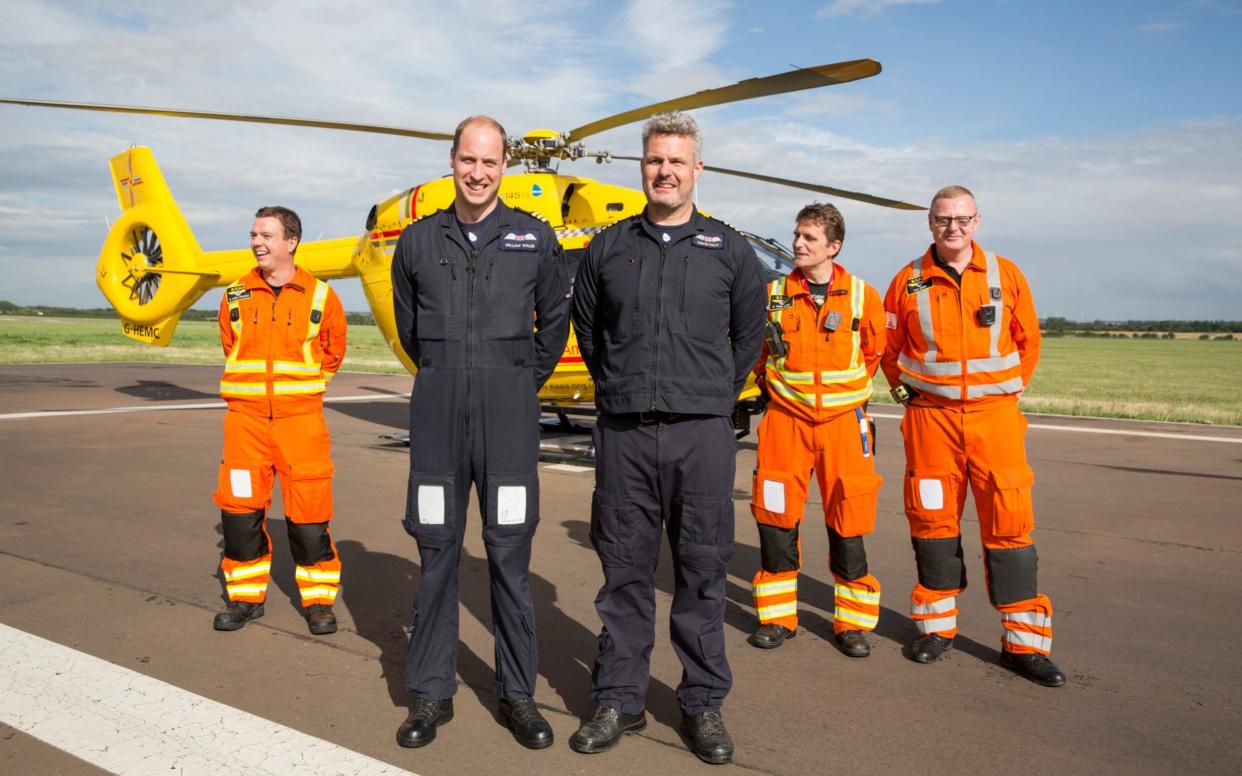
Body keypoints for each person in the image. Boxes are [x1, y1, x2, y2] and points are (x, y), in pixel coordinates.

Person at [570, 111, 765, 765]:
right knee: (622, 573)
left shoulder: (729, 250)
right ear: (642, 166)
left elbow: (748, 338)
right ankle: (619, 699)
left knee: (703, 571)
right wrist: (623, 387)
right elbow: (591, 333)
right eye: (655, 160)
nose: (665, 171)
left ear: (697, 170)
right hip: (625, 433)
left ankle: (702, 704)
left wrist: (706, 395)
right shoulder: (607, 248)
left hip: (701, 435)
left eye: (677, 161)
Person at [390, 115, 571, 750]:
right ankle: (431, 694)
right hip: (438, 414)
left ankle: (518, 695)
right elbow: (411, 332)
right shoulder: (416, 242)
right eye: (469, 160)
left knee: (510, 558)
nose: (478, 172)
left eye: (490, 162)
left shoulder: (534, 237)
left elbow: (556, 320)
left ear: (505, 167)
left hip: (509, 417)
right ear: (452, 160)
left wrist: (518, 379)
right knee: (437, 554)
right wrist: (447, 373)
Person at [881, 185, 1066, 687]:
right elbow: (888, 348)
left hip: (995, 420)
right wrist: (912, 397)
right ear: (930, 224)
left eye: (962, 219)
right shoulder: (908, 280)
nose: (953, 228)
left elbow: (1028, 342)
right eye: (944, 219)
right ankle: (935, 631)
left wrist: (1000, 395)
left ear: (977, 221)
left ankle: (1023, 645)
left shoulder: (1006, 276)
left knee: (1010, 523)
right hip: (930, 422)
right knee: (932, 521)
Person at [748, 202, 885, 657]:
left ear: (834, 246)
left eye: (809, 238)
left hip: (844, 426)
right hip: (785, 423)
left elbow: (873, 353)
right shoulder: (772, 295)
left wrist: (842, 399)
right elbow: (757, 357)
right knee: (775, 518)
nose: (798, 244)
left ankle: (851, 624)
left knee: (848, 520)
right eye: (797, 235)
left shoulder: (865, 296)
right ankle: (777, 619)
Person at [211, 205, 347, 637]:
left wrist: (299, 393)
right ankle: (245, 600)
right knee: (239, 514)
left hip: (300, 424)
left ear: (291, 242)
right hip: (244, 424)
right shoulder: (234, 294)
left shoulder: (322, 296)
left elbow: (332, 353)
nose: (257, 242)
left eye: (266, 235)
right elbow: (230, 346)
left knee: (309, 517)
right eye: (253, 234)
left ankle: (319, 602)